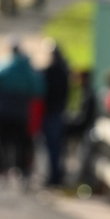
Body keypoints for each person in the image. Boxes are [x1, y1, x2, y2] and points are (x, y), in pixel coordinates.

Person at [0, 40, 44, 185]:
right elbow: (39, 90)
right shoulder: (27, 68)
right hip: (21, 113)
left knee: (1, 143)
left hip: (2, 112)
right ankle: (21, 172)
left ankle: (1, 172)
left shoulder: (0, 65)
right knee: (20, 144)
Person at [41, 40, 69, 187]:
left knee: (51, 147)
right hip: (59, 112)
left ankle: (53, 177)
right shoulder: (64, 70)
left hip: (50, 113)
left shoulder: (51, 71)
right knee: (57, 148)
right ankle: (56, 176)